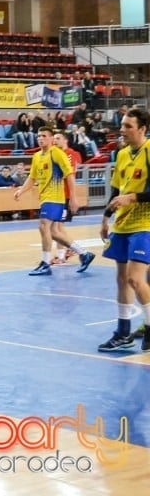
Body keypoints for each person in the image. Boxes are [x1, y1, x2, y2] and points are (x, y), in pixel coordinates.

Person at [97, 108, 150, 352]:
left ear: (142, 129)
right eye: (122, 125)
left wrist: (134, 198)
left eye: (128, 126)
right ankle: (123, 333)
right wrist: (106, 217)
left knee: (134, 278)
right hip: (122, 224)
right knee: (121, 280)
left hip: (145, 223)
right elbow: (117, 190)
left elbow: (130, 195)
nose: (122, 130)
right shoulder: (121, 155)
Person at [13, 127, 94, 276]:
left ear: (51, 139)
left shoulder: (57, 154)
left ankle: (45, 263)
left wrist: (74, 198)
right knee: (54, 232)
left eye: (44, 136)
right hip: (44, 198)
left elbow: (70, 175)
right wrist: (21, 191)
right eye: (38, 136)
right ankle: (84, 254)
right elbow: (32, 178)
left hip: (56, 197)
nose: (40, 138)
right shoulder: (37, 156)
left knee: (43, 226)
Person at [50, 130, 82, 264]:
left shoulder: (71, 154)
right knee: (56, 226)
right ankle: (68, 249)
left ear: (65, 140)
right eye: (54, 138)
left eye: (58, 138)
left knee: (58, 226)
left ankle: (65, 254)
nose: (55, 141)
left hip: (66, 195)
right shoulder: (55, 155)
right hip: (57, 195)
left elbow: (69, 173)